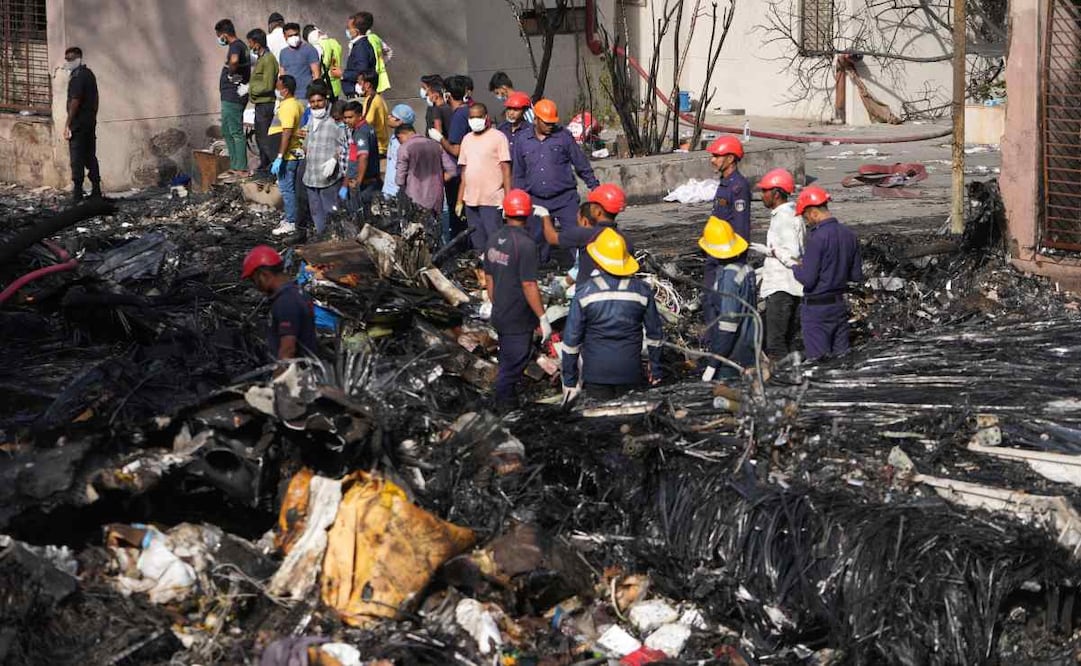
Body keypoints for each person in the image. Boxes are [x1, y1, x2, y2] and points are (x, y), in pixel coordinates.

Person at [560, 228, 664, 404]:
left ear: (598, 262)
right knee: (630, 422)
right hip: (630, 371)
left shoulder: (584, 293)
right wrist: (656, 368)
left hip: (596, 374)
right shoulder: (642, 291)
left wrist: (570, 379)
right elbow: (655, 335)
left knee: (602, 425)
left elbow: (571, 340)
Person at [484, 189, 551, 408]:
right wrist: (542, 317)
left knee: (507, 362)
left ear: (505, 213)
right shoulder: (526, 245)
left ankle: (509, 402)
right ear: (528, 214)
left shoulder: (494, 239)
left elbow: (489, 276)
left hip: (501, 313)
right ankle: (502, 409)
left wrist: (497, 303)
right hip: (517, 318)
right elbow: (529, 284)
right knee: (511, 368)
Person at [512, 98, 600, 262]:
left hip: (565, 199)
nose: (550, 126)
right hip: (536, 202)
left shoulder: (563, 137)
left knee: (577, 239)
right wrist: (517, 199)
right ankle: (541, 275)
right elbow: (518, 173)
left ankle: (583, 271)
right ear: (536, 119)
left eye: (553, 122)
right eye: (546, 122)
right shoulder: (522, 140)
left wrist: (594, 186)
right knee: (537, 243)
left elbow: (580, 163)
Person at [791, 186, 863, 360]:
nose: (806, 221)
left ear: (814, 212)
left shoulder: (817, 238)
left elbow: (808, 279)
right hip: (838, 307)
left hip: (816, 310)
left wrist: (795, 267)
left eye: (805, 216)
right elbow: (856, 276)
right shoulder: (849, 235)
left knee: (819, 365)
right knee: (842, 362)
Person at [749, 168, 804, 360]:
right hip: (788, 286)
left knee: (776, 344)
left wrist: (770, 251)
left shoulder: (784, 217)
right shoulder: (790, 214)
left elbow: (792, 253)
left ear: (777, 193)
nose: (762, 195)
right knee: (786, 340)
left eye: (765, 191)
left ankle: (782, 383)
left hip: (782, 288)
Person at [542, 183, 634, 296]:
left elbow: (552, 238)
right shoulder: (625, 240)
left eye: (592, 205)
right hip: (618, 296)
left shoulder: (584, 235)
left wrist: (544, 215)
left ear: (598, 211)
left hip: (586, 297)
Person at [698, 217, 758, 381]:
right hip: (749, 348)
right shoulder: (746, 269)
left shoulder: (729, 276)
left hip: (732, 355)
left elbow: (728, 326)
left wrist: (714, 363)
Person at [241, 245, 318, 361]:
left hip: (298, 373)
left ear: (264, 275)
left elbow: (288, 349)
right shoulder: (295, 292)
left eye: (254, 280)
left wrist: (279, 376)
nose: (256, 285)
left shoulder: (286, 301)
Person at [456, 103, 512, 254]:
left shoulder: (498, 137)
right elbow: (464, 172)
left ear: (485, 117)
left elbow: (506, 170)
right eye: (471, 117)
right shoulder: (467, 139)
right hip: (471, 200)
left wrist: (508, 199)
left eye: (478, 117)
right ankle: (483, 273)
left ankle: (500, 273)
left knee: (496, 242)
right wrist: (460, 200)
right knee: (478, 242)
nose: (475, 120)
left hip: (492, 200)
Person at [427, 75, 472, 241]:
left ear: (448, 95)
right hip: (468, 172)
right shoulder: (468, 110)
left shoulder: (459, 115)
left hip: (460, 175)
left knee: (458, 216)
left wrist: (440, 139)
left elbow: (456, 150)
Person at [301, 83, 345, 235]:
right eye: (312, 102)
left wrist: (334, 159)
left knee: (331, 212)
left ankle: (335, 239)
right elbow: (306, 142)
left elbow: (346, 143)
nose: (316, 105)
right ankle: (322, 238)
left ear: (325, 100)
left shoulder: (335, 120)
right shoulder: (311, 120)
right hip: (311, 176)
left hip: (328, 178)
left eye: (319, 101)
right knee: (316, 213)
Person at [63, 47, 100, 204]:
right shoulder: (89, 74)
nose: (68, 62)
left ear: (79, 58)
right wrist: (93, 116)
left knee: (77, 158)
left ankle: (78, 192)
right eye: (66, 59)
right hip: (89, 122)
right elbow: (96, 98)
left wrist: (68, 123)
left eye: (71, 59)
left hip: (78, 124)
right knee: (90, 156)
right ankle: (96, 189)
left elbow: (75, 101)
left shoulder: (78, 77)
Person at [269, 75, 305, 236]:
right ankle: (290, 218)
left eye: (278, 87)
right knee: (290, 189)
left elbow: (287, 131)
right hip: (290, 153)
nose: (276, 90)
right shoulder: (294, 104)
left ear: (285, 89)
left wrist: (279, 156)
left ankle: (291, 222)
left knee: (287, 189)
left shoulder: (288, 106)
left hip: (287, 156)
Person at [215, 19, 250, 179]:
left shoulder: (236, 46)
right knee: (227, 130)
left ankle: (241, 168)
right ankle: (235, 165)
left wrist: (230, 73)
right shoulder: (240, 46)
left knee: (235, 131)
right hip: (230, 95)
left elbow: (234, 60)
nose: (219, 39)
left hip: (233, 96)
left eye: (218, 35)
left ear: (224, 34)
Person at [396, 119, 450, 217]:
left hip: (414, 199)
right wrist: (438, 180)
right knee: (435, 227)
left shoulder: (404, 148)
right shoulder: (436, 145)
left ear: (401, 135)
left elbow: (400, 178)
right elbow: (452, 171)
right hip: (436, 198)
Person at [246, 29, 279, 177]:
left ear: (257, 44)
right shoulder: (261, 58)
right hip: (260, 104)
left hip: (266, 104)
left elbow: (267, 84)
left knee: (265, 138)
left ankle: (273, 166)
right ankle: (264, 166)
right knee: (260, 137)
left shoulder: (268, 59)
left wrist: (250, 89)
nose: (249, 46)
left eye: (251, 43)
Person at [341, 100, 381, 218]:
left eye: (350, 117)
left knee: (360, 218)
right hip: (364, 182)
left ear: (359, 116)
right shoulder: (366, 129)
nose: (347, 121)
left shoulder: (361, 133)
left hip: (364, 185)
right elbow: (353, 160)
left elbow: (363, 157)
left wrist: (358, 182)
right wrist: (344, 185)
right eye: (345, 118)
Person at [278, 23, 321, 106]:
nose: (294, 38)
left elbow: (316, 74)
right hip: (289, 97)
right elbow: (282, 75)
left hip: (305, 96)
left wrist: (314, 94)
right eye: (290, 36)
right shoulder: (283, 53)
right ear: (285, 36)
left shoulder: (309, 49)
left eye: (296, 34)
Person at [340, 12, 376, 98]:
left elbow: (362, 72)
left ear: (356, 31)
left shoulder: (361, 47)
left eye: (349, 28)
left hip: (358, 94)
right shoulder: (360, 45)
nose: (347, 30)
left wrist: (343, 74)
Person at [303, 25, 343, 100]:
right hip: (336, 84)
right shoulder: (334, 42)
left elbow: (318, 67)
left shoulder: (317, 47)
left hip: (324, 85)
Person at [382, 104, 412, 200]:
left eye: (392, 116)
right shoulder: (394, 137)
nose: (388, 117)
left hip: (398, 192)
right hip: (389, 189)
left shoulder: (405, 142)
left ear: (400, 121)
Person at [360, 12, 393, 93]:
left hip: (366, 80)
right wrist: (382, 63)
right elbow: (388, 51)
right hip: (377, 77)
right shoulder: (375, 38)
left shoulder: (362, 41)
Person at [357, 70, 389, 155]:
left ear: (367, 85)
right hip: (380, 146)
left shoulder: (371, 99)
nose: (359, 85)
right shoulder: (379, 98)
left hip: (377, 148)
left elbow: (367, 121)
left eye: (360, 82)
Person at [497, 91, 533, 158]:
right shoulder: (501, 128)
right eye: (509, 109)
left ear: (524, 111)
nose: (511, 113)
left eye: (515, 110)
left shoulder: (530, 130)